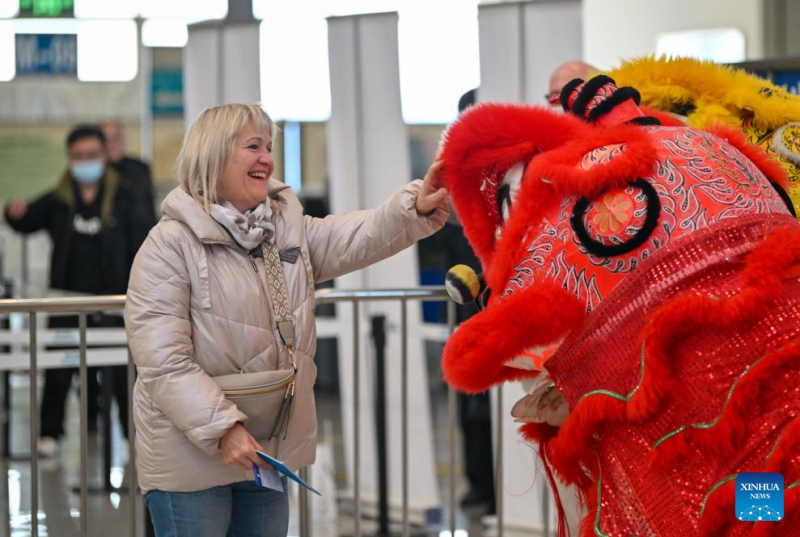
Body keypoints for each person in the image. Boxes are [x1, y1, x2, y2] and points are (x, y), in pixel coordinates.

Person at [124, 103, 449, 536]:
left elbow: (356, 235)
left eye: (269, 147)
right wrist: (224, 429)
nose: (267, 158)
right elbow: (163, 362)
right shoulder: (168, 246)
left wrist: (414, 207)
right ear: (215, 154)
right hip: (191, 454)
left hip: (266, 443)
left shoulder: (283, 230)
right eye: (253, 146)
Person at [4, 125, 155, 456]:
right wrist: (13, 213)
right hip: (66, 301)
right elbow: (26, 219)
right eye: (78, 156)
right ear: (69, 159)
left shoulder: (125, 197)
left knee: (122, 374)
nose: (85, 161)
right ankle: (50, 434)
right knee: (59, 371)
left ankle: (135, 437)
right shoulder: (60, 197)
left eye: (92, 155)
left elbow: (143, 239)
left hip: (114, 301)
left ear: (104, 156)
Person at [100, 119, 157, 221]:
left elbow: (147, 207)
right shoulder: (95, 172)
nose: (110, 144)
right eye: (105, 140)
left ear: (123, 140)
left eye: (115, 138)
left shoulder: (139, 169)